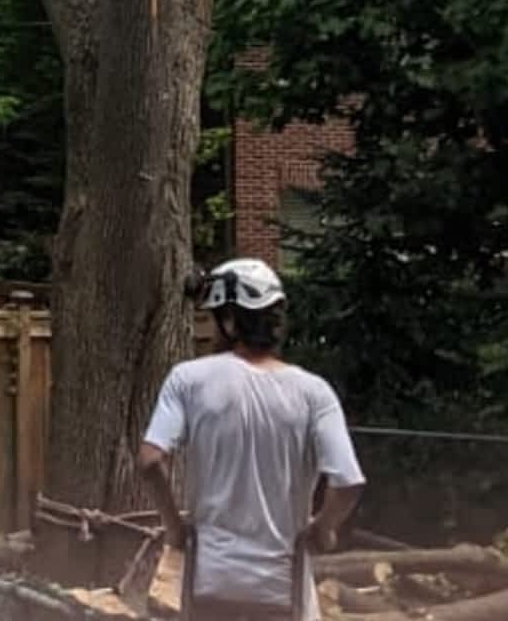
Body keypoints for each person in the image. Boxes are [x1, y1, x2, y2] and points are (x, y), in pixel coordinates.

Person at [139, 259, 367, 621]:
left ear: (229, 321)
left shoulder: (187, 379)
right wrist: (323, 529)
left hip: (209, 584)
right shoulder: (314, 393)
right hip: (282, 589)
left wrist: (175, 529)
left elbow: (150, 461)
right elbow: (349, 482)